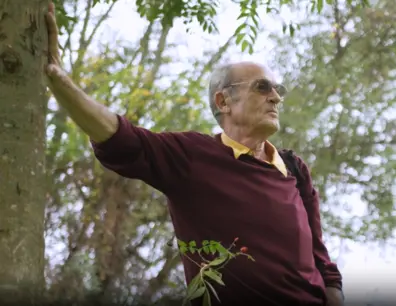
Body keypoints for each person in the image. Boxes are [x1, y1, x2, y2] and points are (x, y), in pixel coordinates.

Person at [44, 2, 344, 306]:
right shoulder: (192, 157)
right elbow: (121, 139)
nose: (276, 97)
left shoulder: (293, 168)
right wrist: (59, 80)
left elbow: (323, 263)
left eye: (277, 89)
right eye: (263, 87)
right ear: (224, 101)